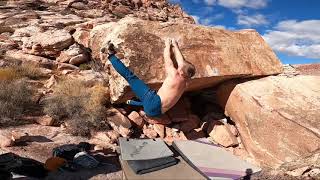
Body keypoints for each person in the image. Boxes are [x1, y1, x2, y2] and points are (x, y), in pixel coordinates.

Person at [100, 39, 195, 117]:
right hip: (157, 113)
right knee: (146, 96)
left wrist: (167, 45)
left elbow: (168, 58)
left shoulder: (174, 74)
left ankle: (109, 54)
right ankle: (132, 102)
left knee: (130, 77)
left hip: (153, 103)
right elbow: (182, 62)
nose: (179, 65)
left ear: (181, 71)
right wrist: (175, 45)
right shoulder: (186, 82)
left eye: (180, 67)